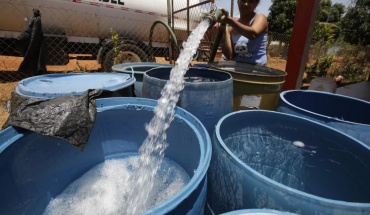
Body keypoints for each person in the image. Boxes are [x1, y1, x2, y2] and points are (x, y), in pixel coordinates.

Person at [219, 0, 268, 66]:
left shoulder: (260, 18)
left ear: (256, 4)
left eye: (250, 1)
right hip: (239, 69)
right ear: (238, 1)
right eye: (243, 0)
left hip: (257, 71)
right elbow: (229, 56)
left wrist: (230, 21)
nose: (246, 4)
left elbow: (252, 34)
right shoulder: (233, 27)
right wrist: (226, 31)